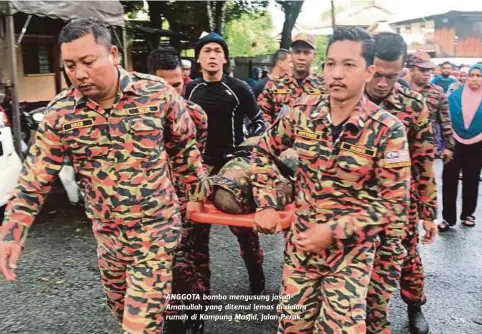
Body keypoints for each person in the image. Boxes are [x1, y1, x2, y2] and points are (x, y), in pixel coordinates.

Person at [0, 19, 209, 333]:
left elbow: (183, 147)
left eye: (88, 62)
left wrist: (197, 193)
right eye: (69, 65)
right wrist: (13, 228)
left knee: (139, 326)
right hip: (108, 241)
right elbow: (35, 177)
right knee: (121, 312)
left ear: (113, 54)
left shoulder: (156, 94)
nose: (79, 74)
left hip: (155, 235)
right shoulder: (61, 113)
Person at [251, 26, 411, 333]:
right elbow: (263, 150)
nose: (337, 73)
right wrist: (266, 203)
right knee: (293, 327)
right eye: (330, 64)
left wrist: (334, 231)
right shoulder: (301, 112)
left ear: (369, 72)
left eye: (349, 65)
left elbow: (393, 206)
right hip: (301, 250)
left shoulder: (387, 130)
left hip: (351, 255)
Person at [364, 32, 437, 334]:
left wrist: (430, 212)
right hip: (356, 199)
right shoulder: (349, 98)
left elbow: (424, 160)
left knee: (407, 257)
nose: (382, 83)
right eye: (377, 74)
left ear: (402, 70)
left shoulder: (413, 105)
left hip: (400, 201)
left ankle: (414, 306)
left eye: (391, 76)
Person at [184, 32, 266, 299]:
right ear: (198, 58)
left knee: (243, 228)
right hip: (201, 165)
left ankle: (256, 273)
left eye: (217, 51)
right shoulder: (189, 89)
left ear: (225, 58)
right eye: (206, 50)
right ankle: (200, 292)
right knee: (195, 229)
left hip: (233, 163)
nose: (212, 55)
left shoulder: (240, 88)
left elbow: (259, 123)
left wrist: (246, 153)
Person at [147, 46, 208, 333]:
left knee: (192, 260)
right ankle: (174, 320)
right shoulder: (137, 119)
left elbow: (195, 164)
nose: (172, 93)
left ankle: (196, 316)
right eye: (164, 86)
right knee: (165, 266)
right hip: (152, 206)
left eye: (177, 85)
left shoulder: (196, 116)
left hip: (185, 203)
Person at [439, 63, 482, 231]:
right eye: (472, 75)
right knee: (449, 180)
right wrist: (445, 144)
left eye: (479, 76)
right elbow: (444, 120)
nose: (474, 79)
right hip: (454, 144)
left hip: (478, 145)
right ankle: (448, 218)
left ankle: (468, 214)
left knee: (471, 180)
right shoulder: (454, 96)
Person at [257, 33, 324, 127]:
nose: (301, 57)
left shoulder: (323, 86)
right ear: (291, 54)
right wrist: (272, 132)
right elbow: (261, 113)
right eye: (297, 52)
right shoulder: (275, 84)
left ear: (314, 55)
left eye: (306, 52)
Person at [406, 51, 455, 161]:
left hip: (427, 147)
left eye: (429, 70)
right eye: (423, 70)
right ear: (411, 70)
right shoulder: (401, 90)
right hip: (403, 146)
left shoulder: (437, 92)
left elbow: (445, 121)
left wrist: (449, 146)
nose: (427, 73)